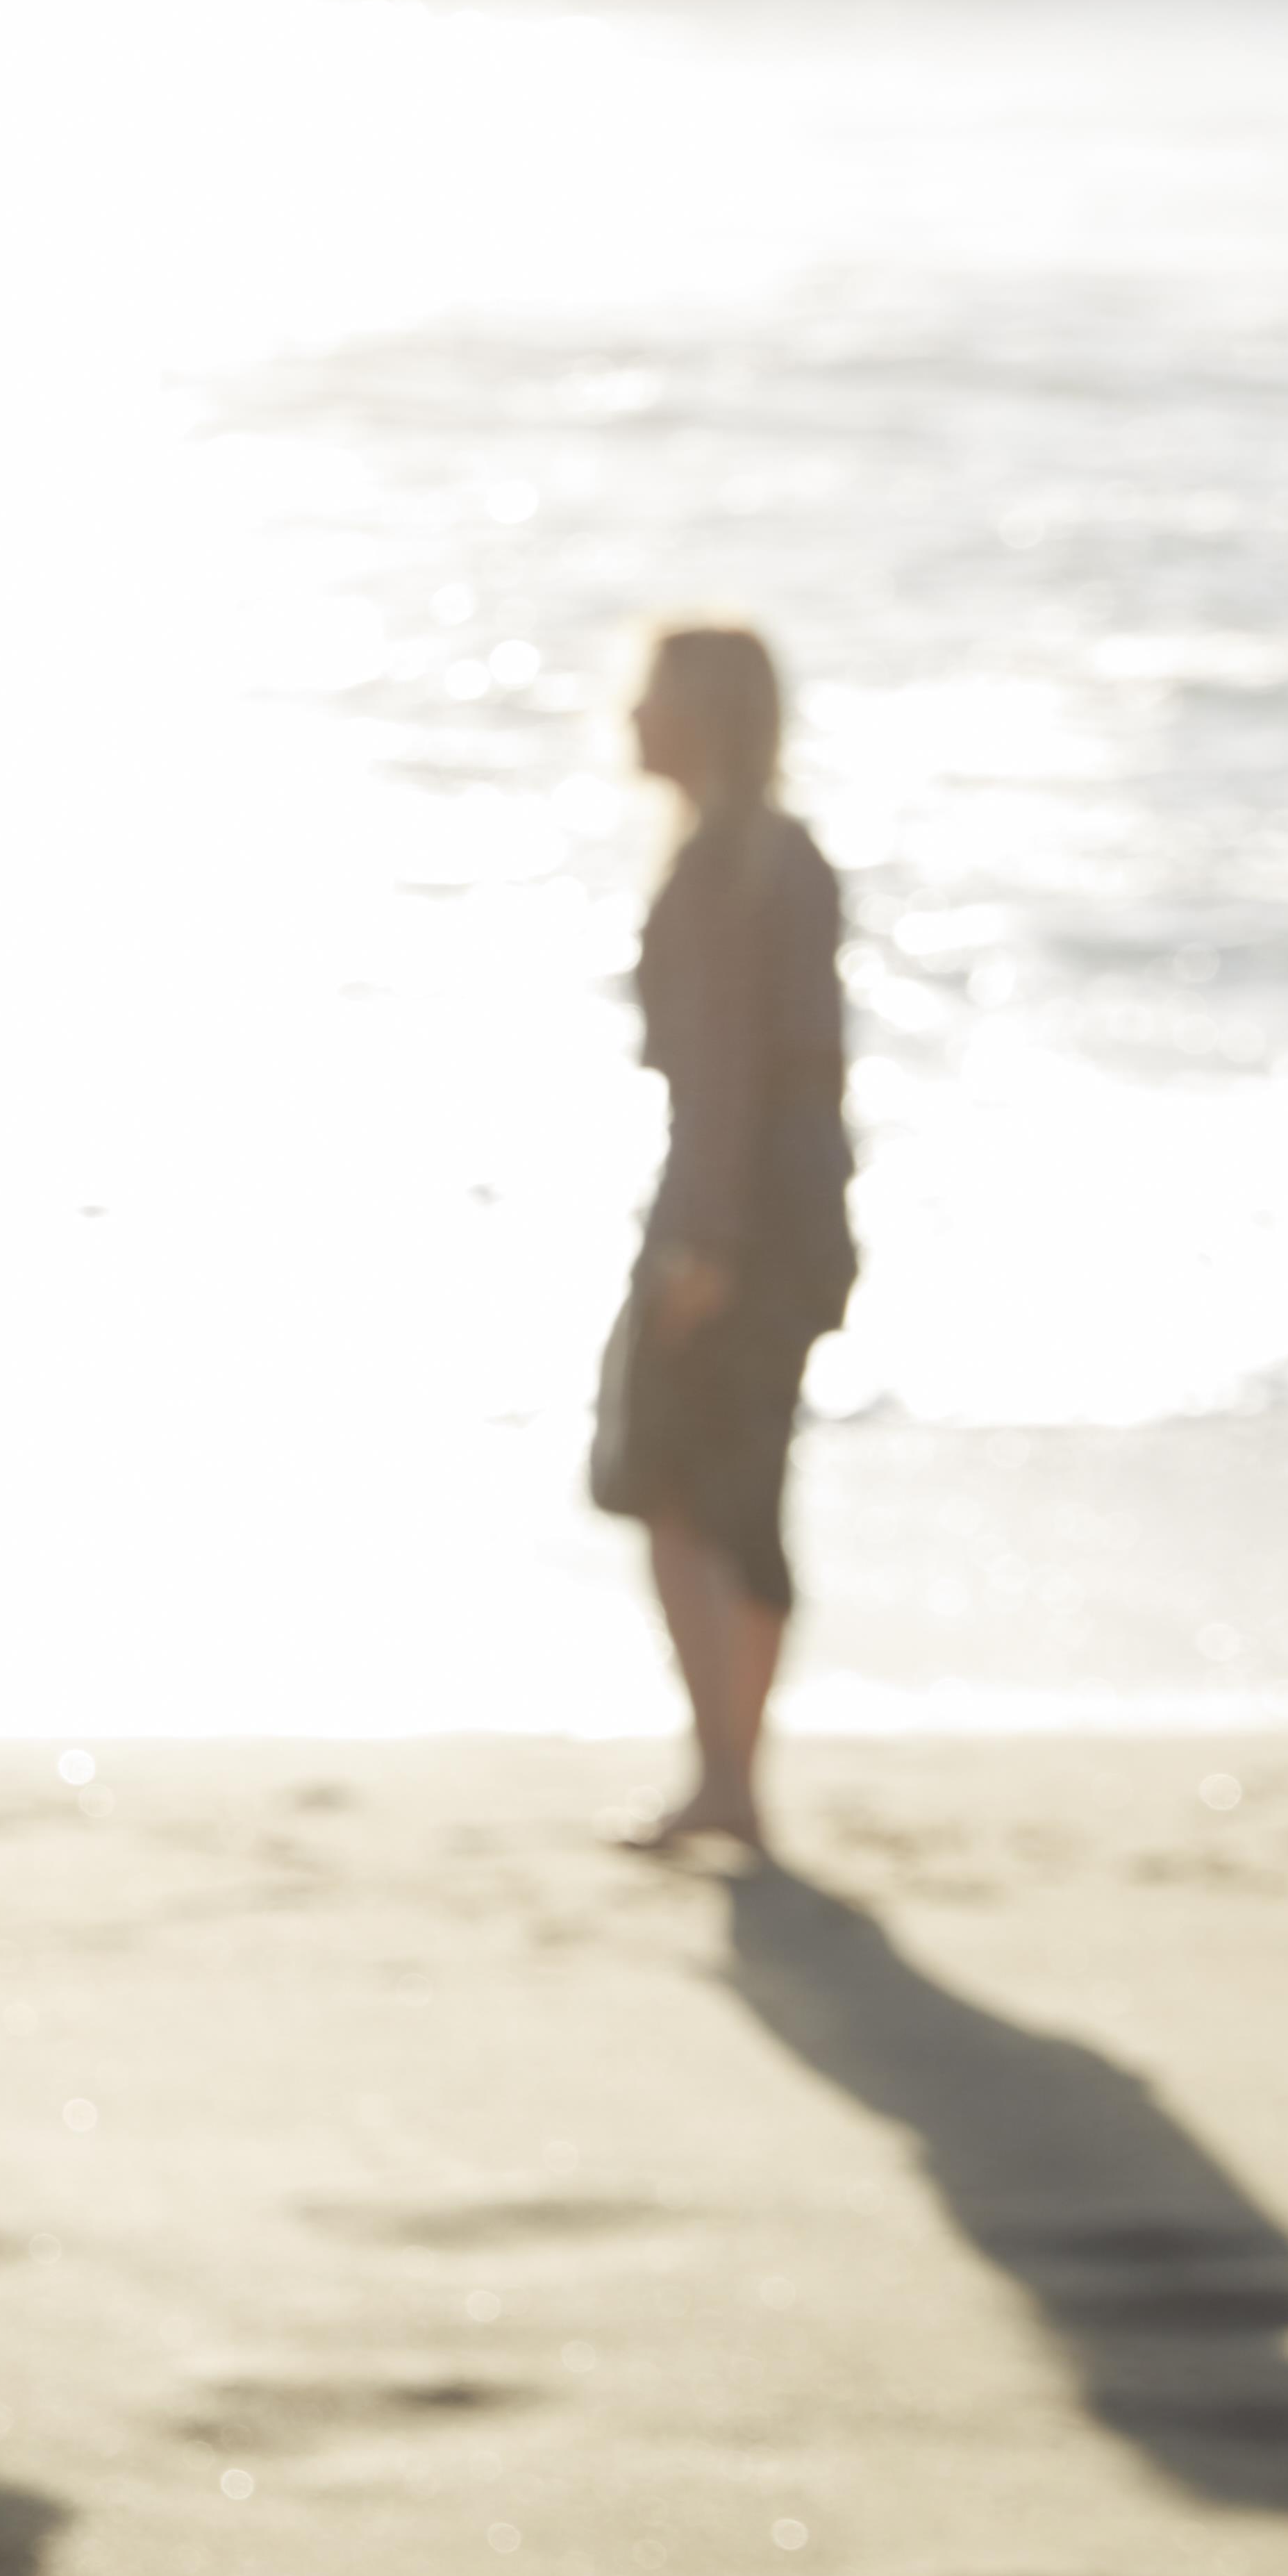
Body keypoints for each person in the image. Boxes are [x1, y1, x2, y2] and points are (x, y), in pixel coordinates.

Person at [587, 618, 857, 1859]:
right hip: (799, 1206)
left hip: (732, 1208)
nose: (628, 715)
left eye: (649, 697)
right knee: (741, 1489)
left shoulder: (723, 867)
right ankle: (734, 1773)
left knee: (675, 1480)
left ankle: (725, 1775)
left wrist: (699, 1239)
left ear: (695, 718)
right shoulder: (784, 855)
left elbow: (722, 1076)